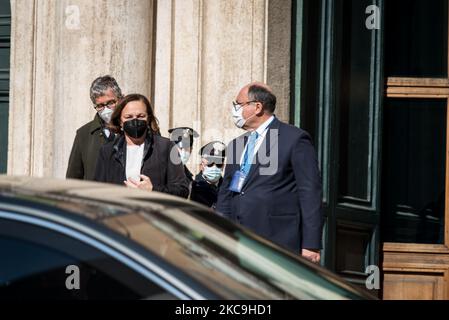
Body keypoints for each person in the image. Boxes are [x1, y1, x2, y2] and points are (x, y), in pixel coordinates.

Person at [216, 82, 323, 263]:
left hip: (277, 237)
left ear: (257, 107)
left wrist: (311, 243)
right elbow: (226, 192)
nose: (235, 111)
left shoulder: (294, 139)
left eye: (238, 105)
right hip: (237, 238)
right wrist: (220, 230)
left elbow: (309, 191)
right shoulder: (236, 144)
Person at [94, 93, 189, 198]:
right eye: (128, 117)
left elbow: (182, 190)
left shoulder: (166, 147)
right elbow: (98, 191)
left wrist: (153, 190)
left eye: (140, 116)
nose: (135, 121)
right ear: (120, 121)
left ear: (148, 119)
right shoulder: (108, 151)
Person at [66, 75, 123, 180]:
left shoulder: (136, 128)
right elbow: (73, 178)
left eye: (110, 103)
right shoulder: (83, 134)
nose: (106, 109)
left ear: (120, 99)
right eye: (100, 106)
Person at [190, 141, 226, 209]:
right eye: (210, 163)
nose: (214, 167)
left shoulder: (227, 189)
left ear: (223, 165)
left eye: (218, 164)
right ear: (202, 164)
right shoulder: (192, 188)